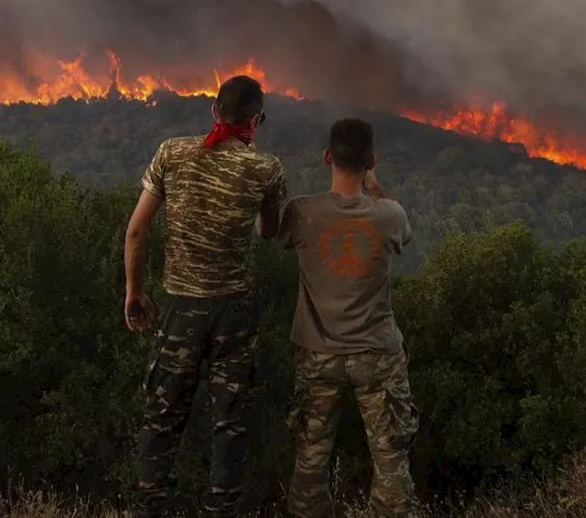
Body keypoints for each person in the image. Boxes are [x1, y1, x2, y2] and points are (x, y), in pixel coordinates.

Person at [122, 75, 287, 518]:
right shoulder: (266, 168)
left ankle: (148, 507)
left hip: (180, 308)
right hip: (234, 311)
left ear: (214, 111)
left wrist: (134, 292)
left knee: (162, 418)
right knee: (229, 423)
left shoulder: (171, 152)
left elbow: (137, 230)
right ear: (255, 120)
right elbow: (268, 233)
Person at [277, 117, 420, 518]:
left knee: (310, 461)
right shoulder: (390, 215)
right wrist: (373, 187)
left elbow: (267, 231)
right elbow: (404, 236)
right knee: (391, 461)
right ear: (371, 160)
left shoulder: (301, 213)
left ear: (326, 157)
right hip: (377, 354)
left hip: (318, 354)